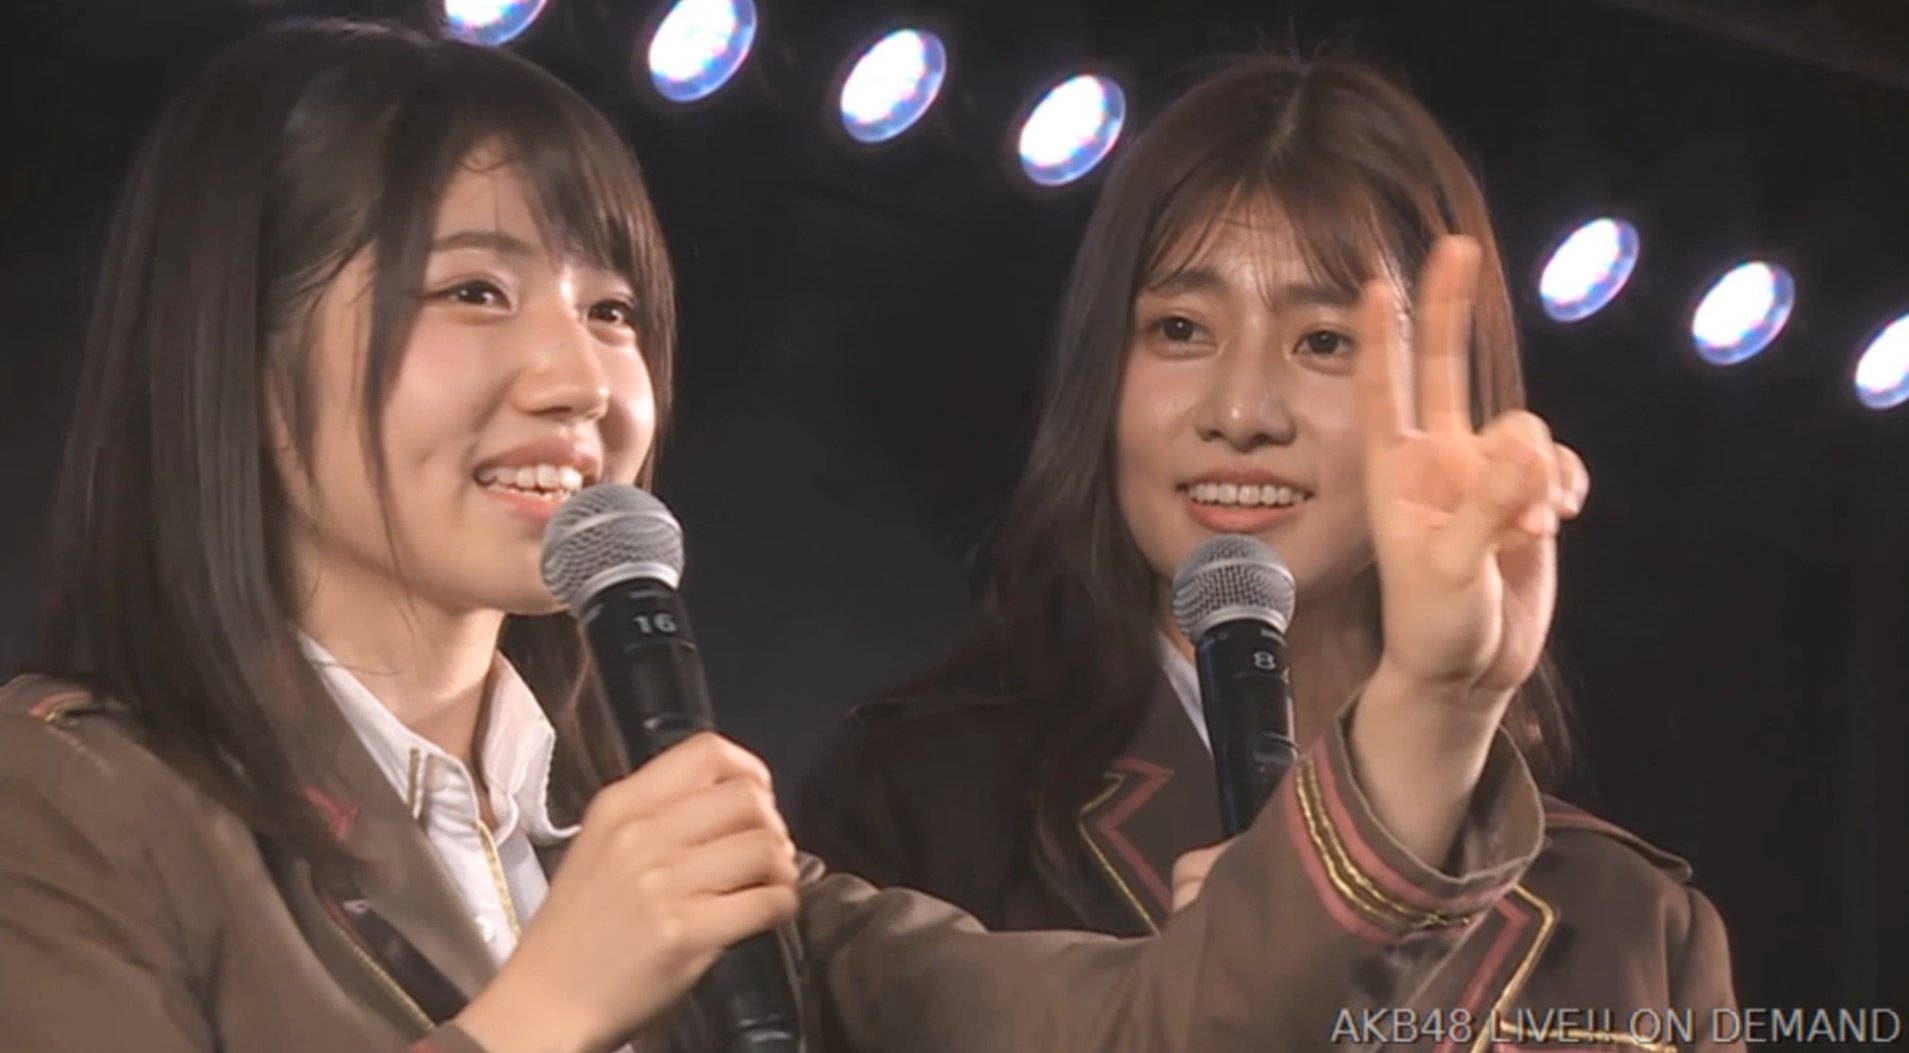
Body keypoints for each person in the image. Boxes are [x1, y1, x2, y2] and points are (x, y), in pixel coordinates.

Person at [0, 21, 1598, 1053]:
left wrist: (1437, 700)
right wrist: (545, 1011)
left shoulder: (655, 844)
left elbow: (1162, 1024)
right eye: (475, 289)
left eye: (611, 309)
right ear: (239, 353)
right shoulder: (74, 807)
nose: (581, 379)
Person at [795, 52, 1743, 1047]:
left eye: (1323, 341)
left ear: (1450, 393)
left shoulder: (1636, 929)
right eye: (1179, 328)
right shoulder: (923, 808)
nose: (1242, 411)